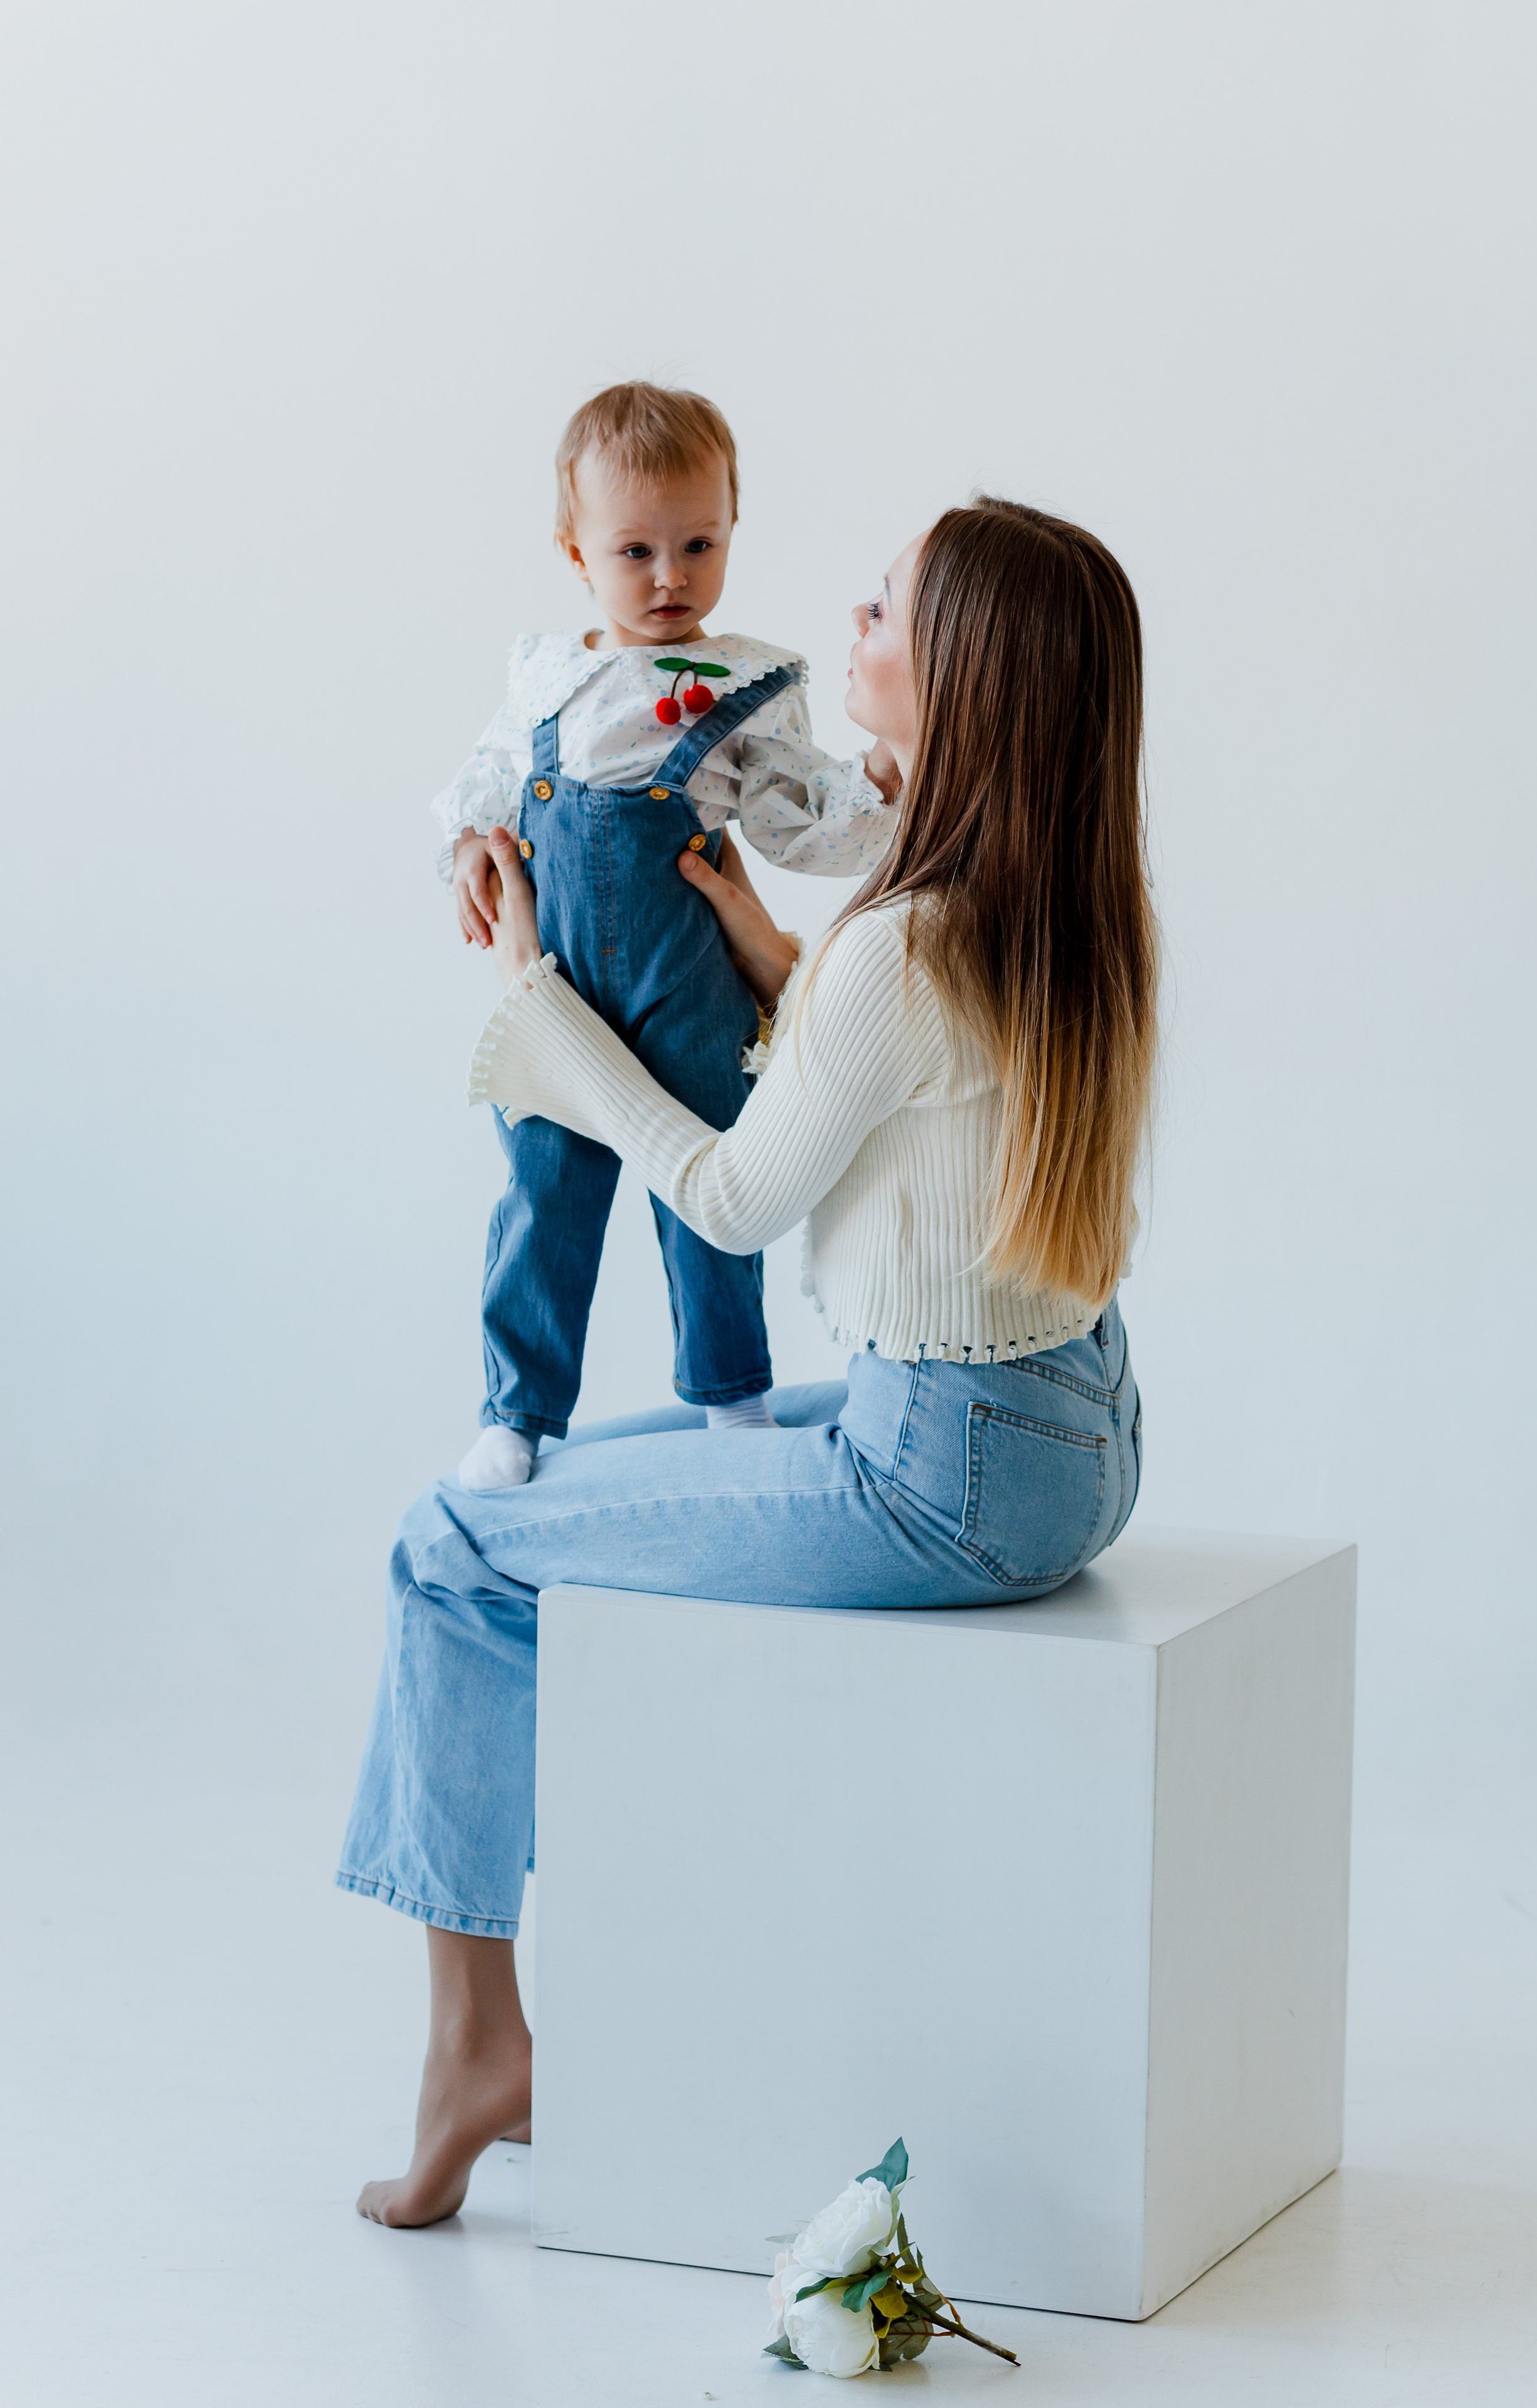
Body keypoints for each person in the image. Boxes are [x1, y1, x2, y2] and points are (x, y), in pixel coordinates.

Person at [341, 497, 1159, 2227]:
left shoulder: (902, 948)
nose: (844, 619)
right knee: (546, 1494)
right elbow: (924, 1102)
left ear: (960, 685)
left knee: (454, 1541)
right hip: (1078, 1429)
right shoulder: (1063, 911)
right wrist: (783, 967)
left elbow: (725, 1194)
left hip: (935, 1476)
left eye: (885, 606)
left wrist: (539, 1016)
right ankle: (487, 2039)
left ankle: (477, 2044)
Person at [434, 382, 901, 1493]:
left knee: (714, 1197)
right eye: (635, 550)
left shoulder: (735, 685)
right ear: (575, 550)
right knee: (544, 1201)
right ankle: (519, 1414)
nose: (670, 577)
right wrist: (464, 843)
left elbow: (795, 817)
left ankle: (736, 1394)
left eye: (699, 543)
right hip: (559, 989)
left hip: (684, 986)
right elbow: (489, 779)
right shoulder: (547, 678)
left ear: (733, 529)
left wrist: (873, 787)